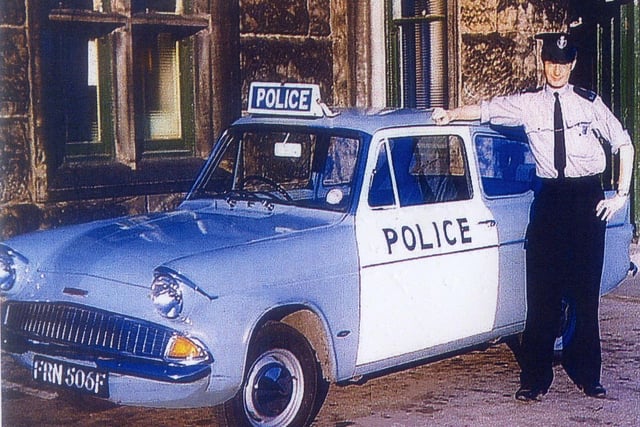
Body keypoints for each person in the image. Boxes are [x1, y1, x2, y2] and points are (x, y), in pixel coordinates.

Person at [432, 32, 634, 402]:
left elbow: (624, 143)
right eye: (550, 62)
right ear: (543, 63)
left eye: (563, 63)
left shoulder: (590, 104)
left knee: (585, 293)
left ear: (572, 65)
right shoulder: (528, 105)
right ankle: (535, 378)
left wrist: (619, 195)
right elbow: (487, 109)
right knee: (541, 292)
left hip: (586, 197)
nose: (556, 69)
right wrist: (450, 114)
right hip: (551, 200)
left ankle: (588, 375)